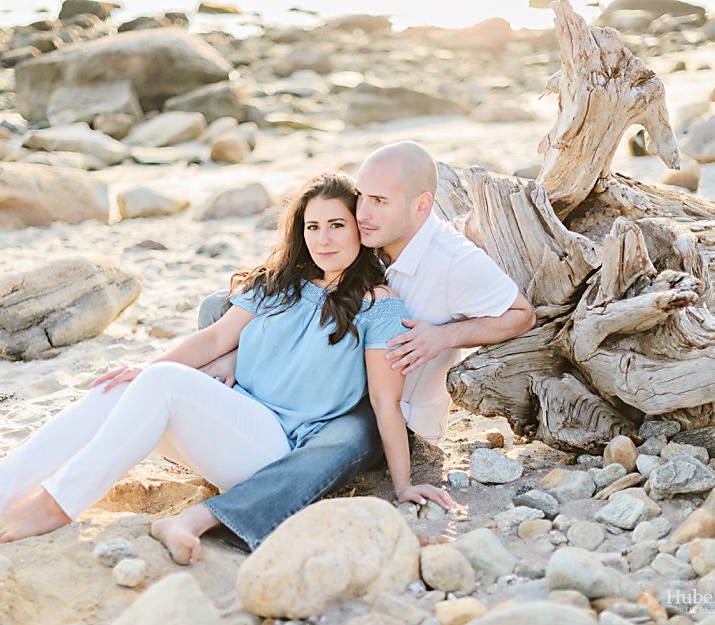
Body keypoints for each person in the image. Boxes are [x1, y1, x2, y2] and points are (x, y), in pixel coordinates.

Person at [0, 172, 453, 562]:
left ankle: (56, 505)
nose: (324, 239)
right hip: (226, 424)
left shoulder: (380, 306)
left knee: (162, 380)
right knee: (116, 387)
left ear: (360, 229)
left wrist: (403, 485)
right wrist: (142, 369)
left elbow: (385, 401)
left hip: (274, 448)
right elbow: (216, 335)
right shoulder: (277, 286)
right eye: (313, 227)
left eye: (337, 225)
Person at [149, 141, 536, 561]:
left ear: (422, 206)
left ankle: (217, 516)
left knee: (347, 437)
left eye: (378, 201)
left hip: (383, 404)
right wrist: (236, 355)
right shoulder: (372, 231)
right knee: (216, 308)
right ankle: (238, 422)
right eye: (362, 197)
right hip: (326, 371)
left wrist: (442, 336)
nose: (363, 212)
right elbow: (307, 304)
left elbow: (522, 315)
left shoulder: (454, 262)